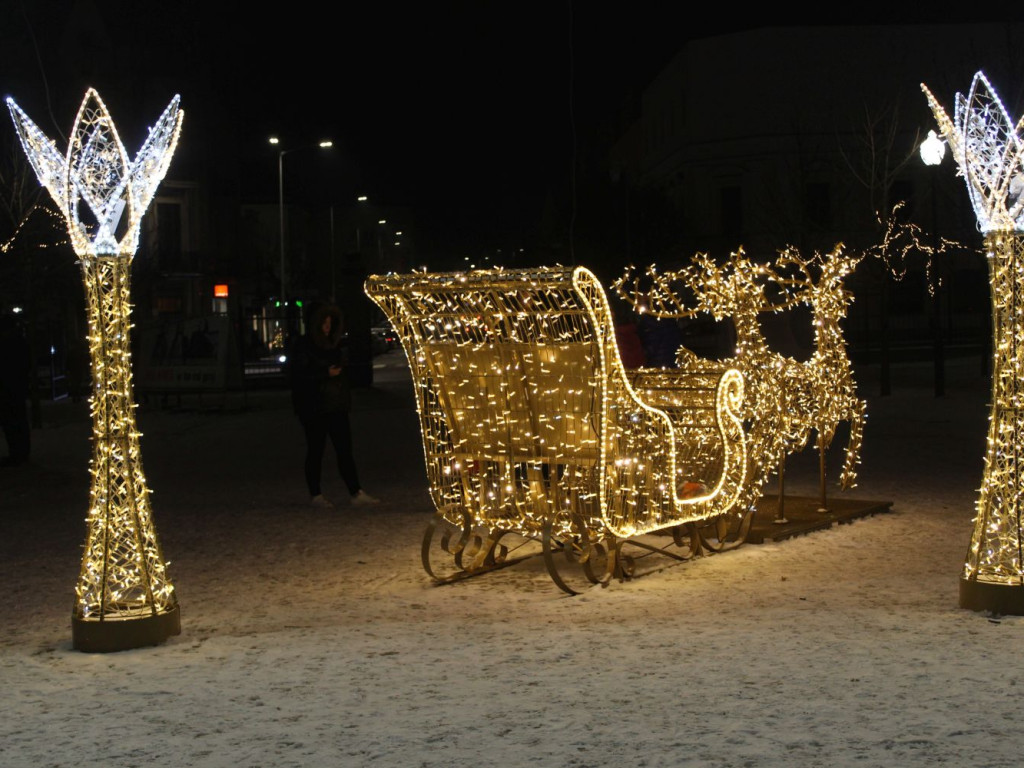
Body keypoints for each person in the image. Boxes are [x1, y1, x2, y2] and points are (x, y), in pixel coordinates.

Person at [289, 303, 378, 508]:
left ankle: (355, 491)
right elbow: (298, 375)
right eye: (324, 323)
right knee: (316, 449)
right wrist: (324, 374)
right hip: (314, 406)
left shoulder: (333, 345)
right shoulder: (305, 345)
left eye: (330, 323)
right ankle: (316, 493)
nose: (327, 327)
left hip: (335, 404)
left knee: (344, 449)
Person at [0, 313, 31, 467]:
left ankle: (17, 453)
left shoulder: (10, 343)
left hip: (10, 387)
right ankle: (21, 452)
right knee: (18, 420)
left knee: (12, 421)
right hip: (16, 386)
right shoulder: (20, 342)